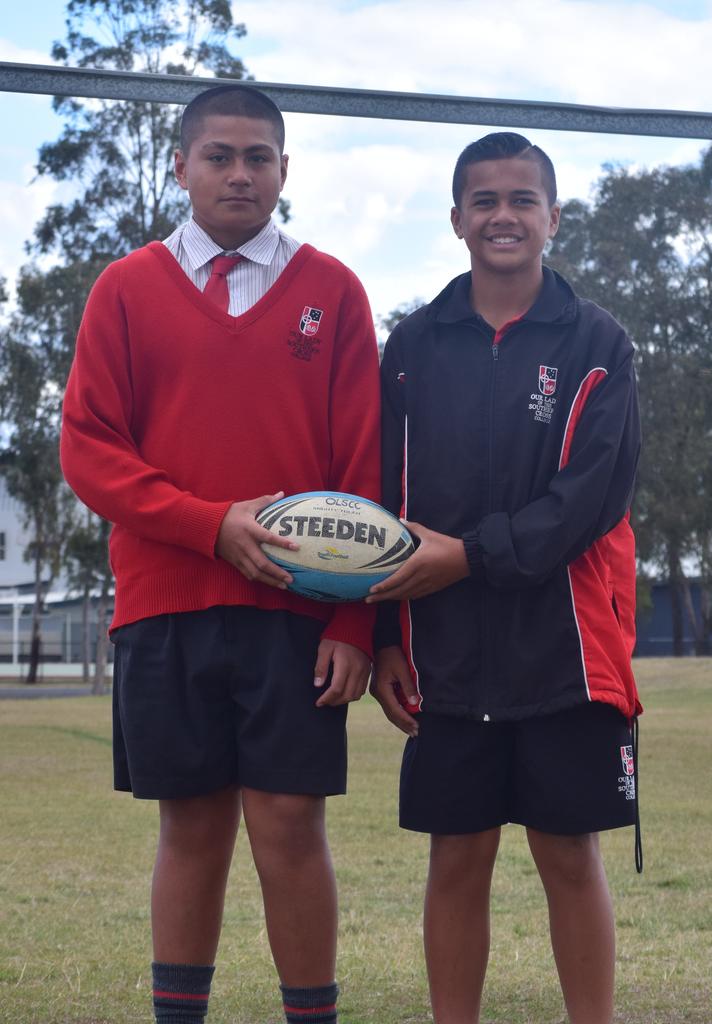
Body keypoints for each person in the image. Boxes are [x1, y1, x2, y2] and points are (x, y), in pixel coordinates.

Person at [61, 84, 380, 1024]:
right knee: (191, 828)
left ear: (286, 168)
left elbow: (364, 467)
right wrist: (212, 525)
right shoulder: (124, 289)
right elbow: (89, 451)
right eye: (219, 156)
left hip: (297, 614)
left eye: (259, 158)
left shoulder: (334, 291)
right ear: (181, 166)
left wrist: (355, 619)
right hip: (165, 606)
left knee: (289, 827)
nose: (240, 174)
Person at [368, 131, 642, 1024]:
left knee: (569, 856)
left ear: (553, 218)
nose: (503, 216)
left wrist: (470, 555)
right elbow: (385, 499)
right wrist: (383, 641)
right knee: (457, 857)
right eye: (483, 201)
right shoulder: (413, 345)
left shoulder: (599, 340)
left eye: (523, 200)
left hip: (566, 654)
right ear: (455, 220)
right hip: (446, 654)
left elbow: (588, 500)